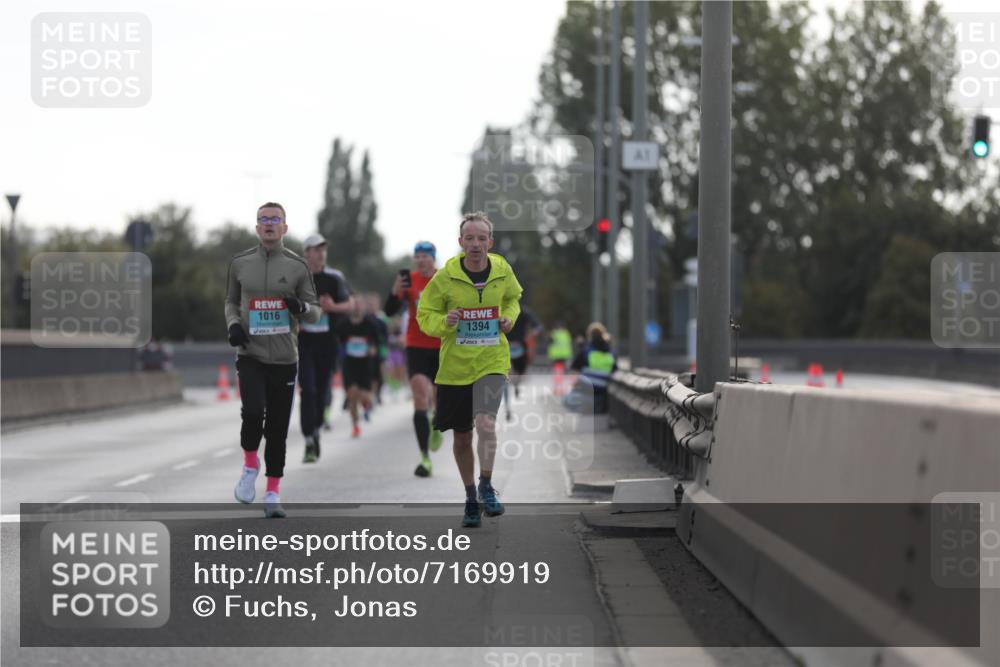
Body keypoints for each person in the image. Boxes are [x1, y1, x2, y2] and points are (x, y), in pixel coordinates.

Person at [417, 213, 523, 527]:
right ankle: (470, 498)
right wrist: (444, 322)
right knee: (462, 438)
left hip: (491, 361)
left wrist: (509, 318)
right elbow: (426, 315)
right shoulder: (445, 277)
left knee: (486, 423)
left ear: (489, 242)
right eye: (469, 238)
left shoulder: (502, 270)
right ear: (460, 242)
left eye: (481, 238)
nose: (475, 244)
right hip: (455, 368)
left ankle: (487, 485)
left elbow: (514, 299)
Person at [226, 202, 321, 518]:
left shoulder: (297, 266)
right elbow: (230, 302)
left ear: (285, 228)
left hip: (284, 358)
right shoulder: (240, 263)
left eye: (275, 219)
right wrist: (234, 325)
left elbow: (315, 311)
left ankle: (272, 493)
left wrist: (301, 309)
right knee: (253, 412)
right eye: (263, 219)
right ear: (256, 228)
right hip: (250, 353)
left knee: (278, 428)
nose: (268, 224)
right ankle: (250, 464)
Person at [385, 241, 443, 478]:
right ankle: (425, 459)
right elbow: (390, 311)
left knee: (439, 400)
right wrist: (395, 289)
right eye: (416, 256)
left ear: (433, 258)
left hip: (442, 346)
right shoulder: (410, 281)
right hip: (416, 346)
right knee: (420, 395)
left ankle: (437, 424)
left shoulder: (444, 279)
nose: (420, 260)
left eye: (424, 256)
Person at [298, 234, 353, 463]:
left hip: (328, 342)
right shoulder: (297, 277)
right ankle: (309, 438)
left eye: (323, 249)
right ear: (306, 253)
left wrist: (333, 307)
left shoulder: (334, 277)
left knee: (322, 391)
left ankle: (317, 428)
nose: (321, 253)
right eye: (315, 249)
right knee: (307, 390)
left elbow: (350, 305)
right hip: (304, 342)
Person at [335, 299, 379, 437]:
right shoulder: (343, 324)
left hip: (365, 363)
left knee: (365, 396)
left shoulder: (370, 324)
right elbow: (337, 339)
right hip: (349, 363)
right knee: (352, 394)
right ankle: (355, 426)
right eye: (355, 305)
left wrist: (372, 348)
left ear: (363, 307)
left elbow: (377, 341)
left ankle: (367, 404)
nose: (357, 308)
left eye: (360, 305)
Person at [503, 306, 542, 421]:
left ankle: (514, 386)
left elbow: (538, 326)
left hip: (511, 345)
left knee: (512, 376)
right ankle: (508, 405)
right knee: (512, 375)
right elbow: (538, 327)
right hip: (513, 345)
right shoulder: (521, 311)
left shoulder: (521, 311)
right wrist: (533, 334)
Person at [570, 322, 617, 413]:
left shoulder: (586, 350)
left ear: (589, 335)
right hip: (602, 388)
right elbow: (615, 368)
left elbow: (574, 367)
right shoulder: (610, 352)